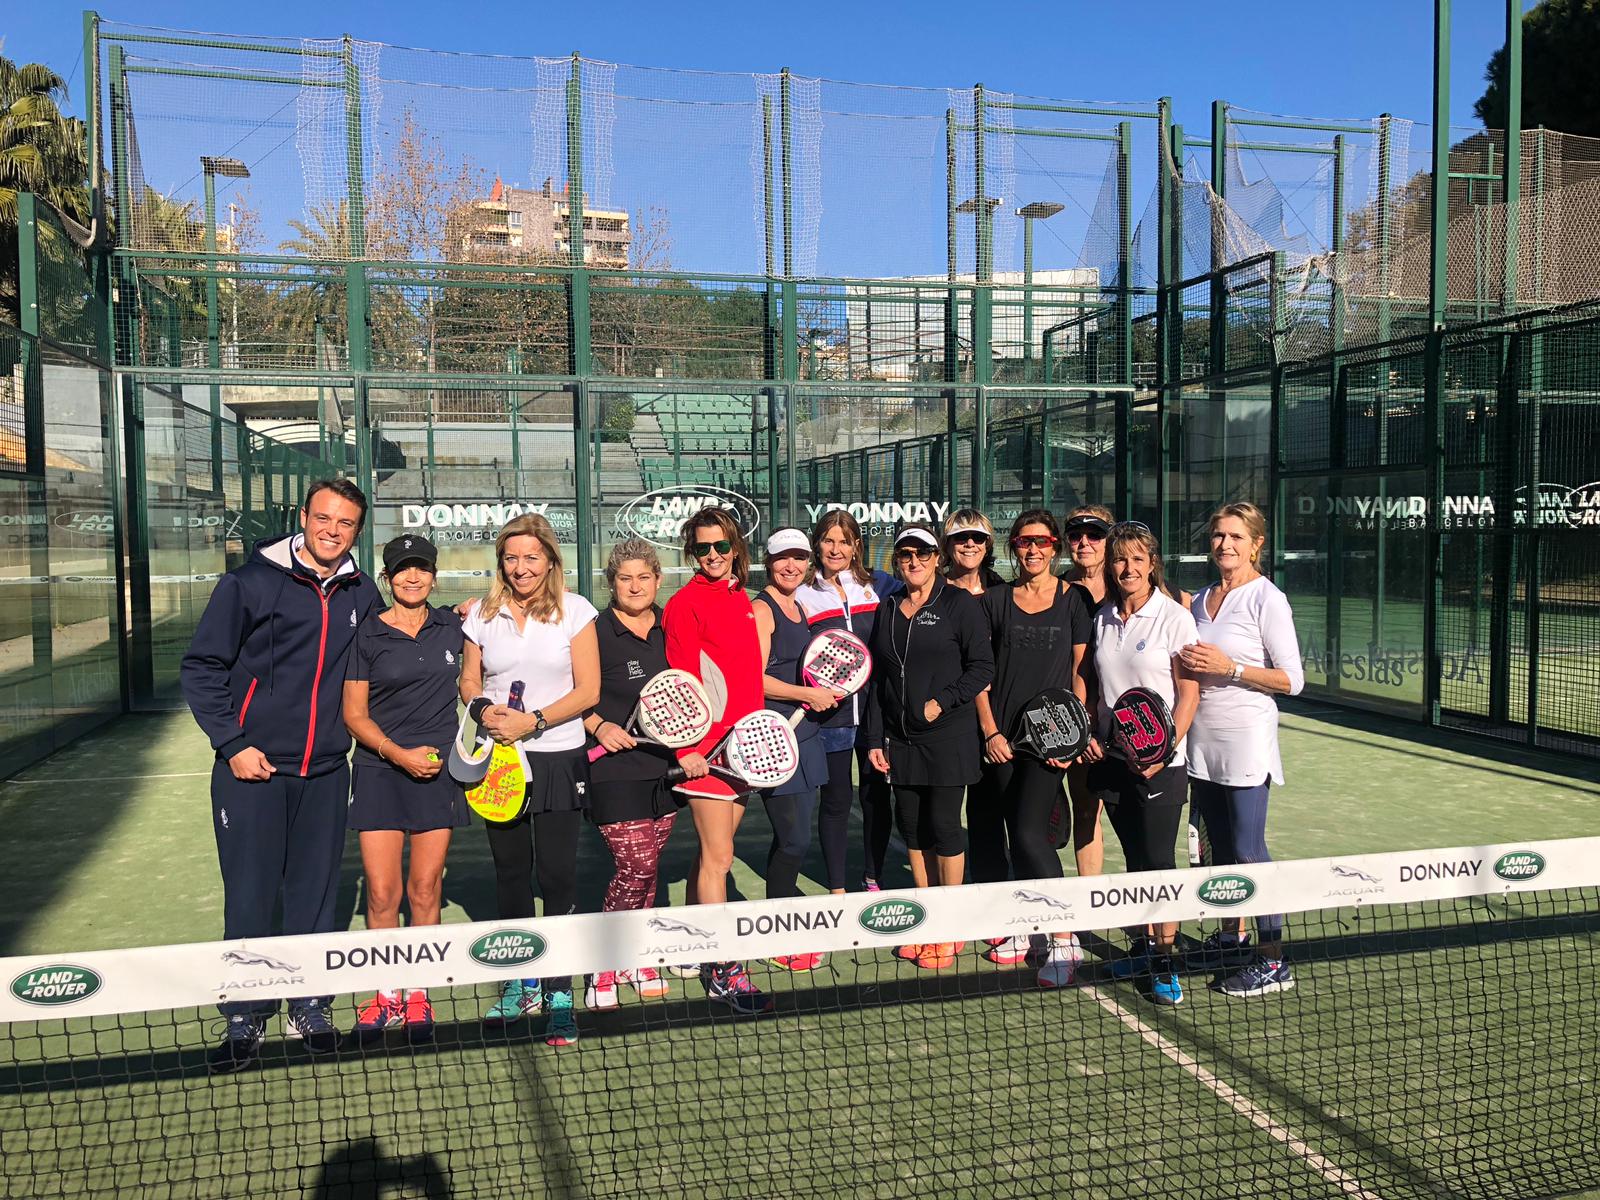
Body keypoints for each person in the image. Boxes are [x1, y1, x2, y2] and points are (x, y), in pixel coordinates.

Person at [181, 478, 382, 1074]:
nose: (332, 531)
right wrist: (233, 743)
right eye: (323, 518)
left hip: (324, 772)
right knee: (250, 892)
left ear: (356, 531)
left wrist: (456, 619)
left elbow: (391, 641)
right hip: (252, 771)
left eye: (345, 524)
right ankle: (244, 1015)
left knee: (316, 894)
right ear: (303, 517)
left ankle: (310, 1004)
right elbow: (202, 667)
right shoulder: (248, 584)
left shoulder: (361, 592)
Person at [460, 513, 599, 1047]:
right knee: (511, 875)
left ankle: (559, 988)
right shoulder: (482, 615)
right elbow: (470, 677)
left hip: (558, 758)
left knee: (558, 877)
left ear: (549, 561)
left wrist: (533, 722)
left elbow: (588, 690)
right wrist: (481, 707)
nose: (521, 568)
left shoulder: (576, 611)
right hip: (499, 761)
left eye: (531, 557)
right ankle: (521, 980)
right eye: (512, 558)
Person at [342, 534, 468, 1044]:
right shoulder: (368, 635)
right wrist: (397, 754)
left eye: (421, 568)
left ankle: (418, 994)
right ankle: (384, 993)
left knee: (424, 889)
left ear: (434, 575)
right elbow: (354, 715)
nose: (412, 577)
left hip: (438, 775)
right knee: (381, 892)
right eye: (401, 570)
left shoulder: (455, 628)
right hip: (379, 771)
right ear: (388, 577)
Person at [1177, 502, 1305, 997]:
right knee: (1218, 848)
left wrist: (1232, 669)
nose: (1224, 544)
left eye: (1235, 536)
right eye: (1217, 535)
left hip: (1246, 738)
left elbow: (1292, 680)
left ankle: (1273, 960)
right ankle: (1233, 937)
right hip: (1202, 739)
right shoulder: (1202, 598)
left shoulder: (1267, 600)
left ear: (1256, 544)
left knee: (1250, 849)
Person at [863, 524, 995, 971]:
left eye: (922, 553)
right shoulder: (888, 607)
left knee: (944, 825)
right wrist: (875, 738)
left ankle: (949, 926)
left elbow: (982, 668)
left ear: (937, 557)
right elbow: (880, 678)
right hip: (900, 741)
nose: (914, 561)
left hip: (949, 737)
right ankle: (924, 921)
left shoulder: (959, 605)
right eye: (905, 554)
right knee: (912, 828)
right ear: (896, 560)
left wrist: (943, 701)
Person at [973, 510, 1094, 987]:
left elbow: (1080, 672)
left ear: (1055, 547)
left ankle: (1065, 938)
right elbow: (981, 673)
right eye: (1025, 542)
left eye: (1043, 542)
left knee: (1029, 832)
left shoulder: (1073, 600)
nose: (1034, 550)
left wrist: (1074, 733)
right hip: (1003, 740)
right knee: (1010, 829)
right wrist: (991, 732)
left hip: (1051, 742)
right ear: (1014, 548)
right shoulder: (995, 601)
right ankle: (1026, 927)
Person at [661, 508, 773, 1016]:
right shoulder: (685, 605)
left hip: (746, 748)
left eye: (720, 547)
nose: (711, 556)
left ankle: (690, 942)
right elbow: (682, 679)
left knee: (712, 853)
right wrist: (688, 749)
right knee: (719, 858)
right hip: (707, 753)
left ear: (736, 549)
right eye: (702, 548)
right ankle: (722, 968)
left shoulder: (744, 600)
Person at [1090, 522, 1199, 1006]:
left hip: (1161, 765)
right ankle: (1139, 947)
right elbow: (1099, 689)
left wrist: (1161, 752)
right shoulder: (1102, 618)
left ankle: (1165, 959)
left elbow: (1189, 695)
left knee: (1158, 862)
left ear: (1152, 563)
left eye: (1138, 559)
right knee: (1133, 860)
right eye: (1120, 559)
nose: (1128, 568)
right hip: (1114, 759)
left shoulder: (1175, 618)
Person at [580, 538, 679, 1010]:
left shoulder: (671, 628)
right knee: (635, 866)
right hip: (611, 770)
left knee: (650, 870)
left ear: (658, 580)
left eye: (644, 577)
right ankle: (605, 961)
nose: (635, 586)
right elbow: (569, 694)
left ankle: (636, 955)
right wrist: (598, 726)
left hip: (666, 770)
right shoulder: (593, 632)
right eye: (625, 578)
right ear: (611, 583)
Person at [794, 510, 900, 893]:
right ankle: (837, 887)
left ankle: (874, 876)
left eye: (844, 540)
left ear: (856, 544)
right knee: (836, 801)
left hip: (876, 717)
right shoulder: (803, 594)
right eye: (828, 540)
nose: (835, 549)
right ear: (816, 544)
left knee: (876, 798)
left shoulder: (882, 585)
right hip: (830, 719)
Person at [753, 528, 839, 969]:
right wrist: (807, 696)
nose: (792, 566)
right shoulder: (762, 609)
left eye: (799, 558)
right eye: (782, 558)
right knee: (794, 839)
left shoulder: (798, 604)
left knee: (795, 838)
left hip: (804, 735)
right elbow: (755, 678)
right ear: (768, 561)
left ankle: (780, 917)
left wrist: (820, 690)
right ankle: (778, 932)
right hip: (774, 735)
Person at [1060, 505, 1114, 879]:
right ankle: (1084, 907)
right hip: (1077, 723)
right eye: (1076, 535)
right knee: (1085, 811)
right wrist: (1082, 723)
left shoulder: (1131, 583)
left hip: (1123, 723)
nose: (1084, 543)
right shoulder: (1058, 590)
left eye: (1094, 534)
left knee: (1132, 820)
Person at [942, 508, 1006, 596]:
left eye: (978, 537)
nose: (970, 543)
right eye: (961, 537)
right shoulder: (934, 592)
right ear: (947, 544)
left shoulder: (1001, 590)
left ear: (986, 546)